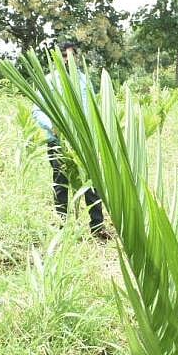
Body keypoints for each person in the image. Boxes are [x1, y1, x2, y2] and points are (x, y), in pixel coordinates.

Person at [32, 41, 106, 237]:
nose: (67, 60)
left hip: (83, 142)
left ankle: (98, 227)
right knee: (60, 184)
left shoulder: (84, 81)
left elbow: (93, 108)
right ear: (58, 58)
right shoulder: (48, 81)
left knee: (92, 184)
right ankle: (62, 228)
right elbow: (37, 110)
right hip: (58, 142)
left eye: (71, 56)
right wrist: (52, 126)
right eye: (64, 56)